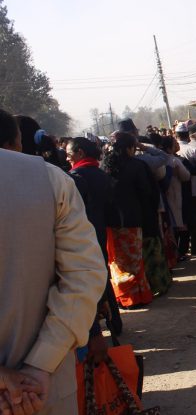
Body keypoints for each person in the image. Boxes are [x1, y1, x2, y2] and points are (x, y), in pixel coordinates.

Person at [0, 110, 106, 415]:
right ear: (16, 142)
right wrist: (40, 365)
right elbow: (84, 276)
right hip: (39, 396)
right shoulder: (47, 179)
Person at [66, 136, 123, 336]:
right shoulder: (102, 174)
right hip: (100, 233)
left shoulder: (74, 178)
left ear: (80, 153)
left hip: (80, 236)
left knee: (85, 282)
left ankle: (93, 331)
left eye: (69, 154)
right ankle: (115, 322)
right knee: (103, 275)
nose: (67, 158)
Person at [102, 132, 156, 308]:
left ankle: (123, 296)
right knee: (134, 260)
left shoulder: (105, 166)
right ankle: (137, 296)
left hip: (111, 222)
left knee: (117, 261)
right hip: (132, 219)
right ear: (129, 148)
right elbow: (146, 192)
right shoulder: (137, 166)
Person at [176, 122, 196, 254]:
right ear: (187, 135)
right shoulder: (194, 150)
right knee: (195, 219)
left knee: (183, 219)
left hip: (179, 191)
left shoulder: (174, 151)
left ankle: (183, 248)